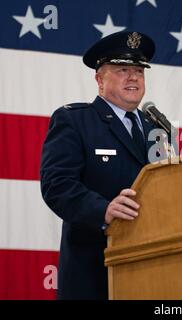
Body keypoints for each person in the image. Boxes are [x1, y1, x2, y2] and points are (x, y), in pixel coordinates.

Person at [40, 31, 159, 300]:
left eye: (139, 71)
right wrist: (103, 210)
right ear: (99, 79)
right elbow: (57, 185)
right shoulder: (74, 120)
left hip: (151, 271)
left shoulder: (157, 130)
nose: (133, 77)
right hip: (92, 273)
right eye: (122, 69)